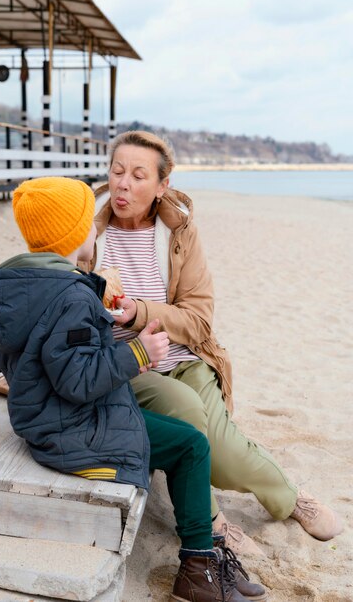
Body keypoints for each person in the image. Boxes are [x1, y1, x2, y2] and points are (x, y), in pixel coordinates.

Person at [0, 176, 268, 602]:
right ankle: (198, 567)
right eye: (88, 222)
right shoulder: (71, 295)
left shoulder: (12, 283)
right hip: (72, 429)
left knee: (180, 434)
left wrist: (85, 330)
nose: (95, 227)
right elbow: (77, 381)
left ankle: (208, 556)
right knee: (191, 446)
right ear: (78, 235)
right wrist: (140, 354)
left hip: (43, 419)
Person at [77, 130, 343, 555]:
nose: (123, 184)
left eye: (139, 175)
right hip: (126, 365)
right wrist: (81, 256)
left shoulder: (180, 233)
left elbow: (199, 319)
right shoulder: (87, 232)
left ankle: (291, 499)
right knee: (184, 411)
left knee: (222, 448)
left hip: (185, 357)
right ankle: (210, 517)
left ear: (162, 186)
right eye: (117, 171)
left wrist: (141, 311)